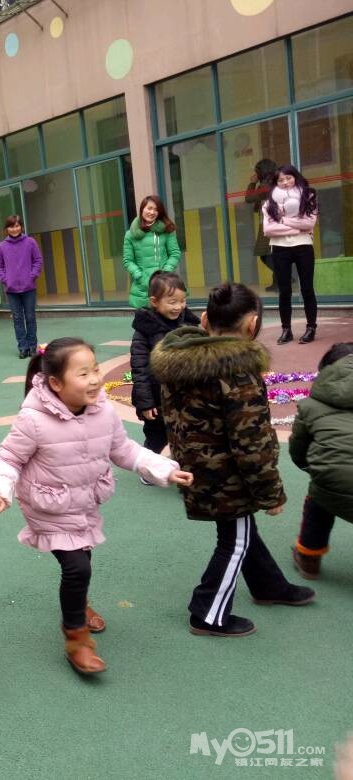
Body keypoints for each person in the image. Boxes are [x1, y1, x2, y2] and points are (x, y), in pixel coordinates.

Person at [0, 338, 191, 674]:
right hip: (48, 506)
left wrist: (164, 469)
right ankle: (76, 638)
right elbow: (9, 458)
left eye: (95, 370)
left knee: (83, 560)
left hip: (84, 501)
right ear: (56, 383)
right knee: (77, 567)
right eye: (83, 374)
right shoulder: (33, 420)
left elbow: (124, 450)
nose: (95, 379)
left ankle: (79, 604)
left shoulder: (103, 411)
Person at [151, 282, 316, 638]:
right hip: (226, 475)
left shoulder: (182, 360)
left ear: (205, 319)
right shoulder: (237, 371)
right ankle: (207, 613)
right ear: (252, 324)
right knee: (235, 540)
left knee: (240, 528)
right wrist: (270, 494)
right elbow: (252, 442)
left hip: (198, 465)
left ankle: (269, 585)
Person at [289, 342, 353, 580]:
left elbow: (298, 448)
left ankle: (309, 557)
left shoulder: (311, 404)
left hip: (331, 479)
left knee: (319, 498)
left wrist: (313, 469)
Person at [129, 271, 199, 456]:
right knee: (156, 439)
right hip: (157, 400)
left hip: (184, 398)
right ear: (154, 301)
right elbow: (140, 369)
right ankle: (150, 466)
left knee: (188, 436)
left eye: (182, 301)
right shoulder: (145, 330)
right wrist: (146, 403)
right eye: (172, 302)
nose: (178, 307)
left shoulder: (189, 324)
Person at [263, 164, 319, 345]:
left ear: (295, 177)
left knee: (307, 289)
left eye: (288, 178)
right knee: (284, 291)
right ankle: (286, 330)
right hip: (279, 248)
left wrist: (283, 220)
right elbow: (268, 230)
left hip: (303, 246)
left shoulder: (308, 195)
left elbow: (309, 224)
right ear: (275, 183)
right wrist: (297, 226)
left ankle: (311, 328)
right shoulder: (269, 203)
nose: (285, 182)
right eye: (280, 180)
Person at [0, 215, 42, 358]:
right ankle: (22, 347)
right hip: (12, 290)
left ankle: (32, 346)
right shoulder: (2, 246)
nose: (14, 229)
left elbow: (38, 260)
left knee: (30, 317)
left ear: (21, 227)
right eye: (11, 226)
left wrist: (32, 276)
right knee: (17, 319)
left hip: (29, 288)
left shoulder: (30, 242)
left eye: (17, 226)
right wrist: (6, 280)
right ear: (6, 229)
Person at [122, 195, 181, 310]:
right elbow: (128, 260)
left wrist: (165, 273)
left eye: (156, 210)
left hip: (165, 284)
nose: (152, 212)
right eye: (149, 208)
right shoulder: (130, 234)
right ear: (142, 209)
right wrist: (140, 276)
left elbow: (175, 254)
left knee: (168, 318)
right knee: (145, 320)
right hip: (142, 287)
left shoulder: (167, 230)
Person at [245, 158, 278, 292]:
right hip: (271, 224)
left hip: (269, 225)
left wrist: (252, 183)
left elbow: (248, 198)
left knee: (265, 255)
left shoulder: (265, 185)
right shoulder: (272, 183)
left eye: (256, 171)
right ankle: (278, 281)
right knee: (271, 254)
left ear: (261, 172)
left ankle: (283, 277)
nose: (255, 174)